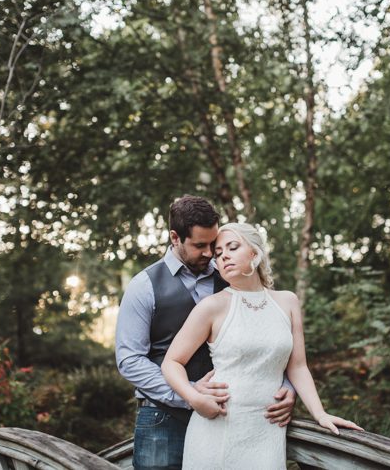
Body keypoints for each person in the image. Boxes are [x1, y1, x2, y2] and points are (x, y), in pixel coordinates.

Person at [162, 222, 363, 469]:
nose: (223, 255)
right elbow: (172, 362)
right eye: (218, 253)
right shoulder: (211, 306)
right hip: (216, 430)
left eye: (233, 247)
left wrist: (319, 414)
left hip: (267, 433)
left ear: (255, 253)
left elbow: (298, 367)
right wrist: (194, 398)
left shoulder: (287, 302)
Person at [115, 196, 296, 470]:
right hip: (163, 418)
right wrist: (189, 395)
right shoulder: (144, 286)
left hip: (231, 419)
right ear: (175, 238)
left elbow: (269, 335)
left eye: (214, 244)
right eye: (200, 245)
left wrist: (287, 387)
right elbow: (129, 360)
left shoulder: (233, 275)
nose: (212, 253)